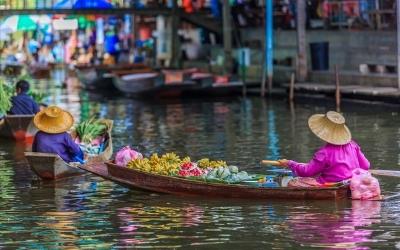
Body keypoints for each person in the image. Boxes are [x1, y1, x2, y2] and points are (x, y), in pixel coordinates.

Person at [277, 111, 370, 187]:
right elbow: (366, 165)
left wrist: (290, 163)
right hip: (351, 183)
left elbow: (307, 171)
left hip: (331, 185)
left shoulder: (324, 153)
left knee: (293, 182)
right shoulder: (353, 145)